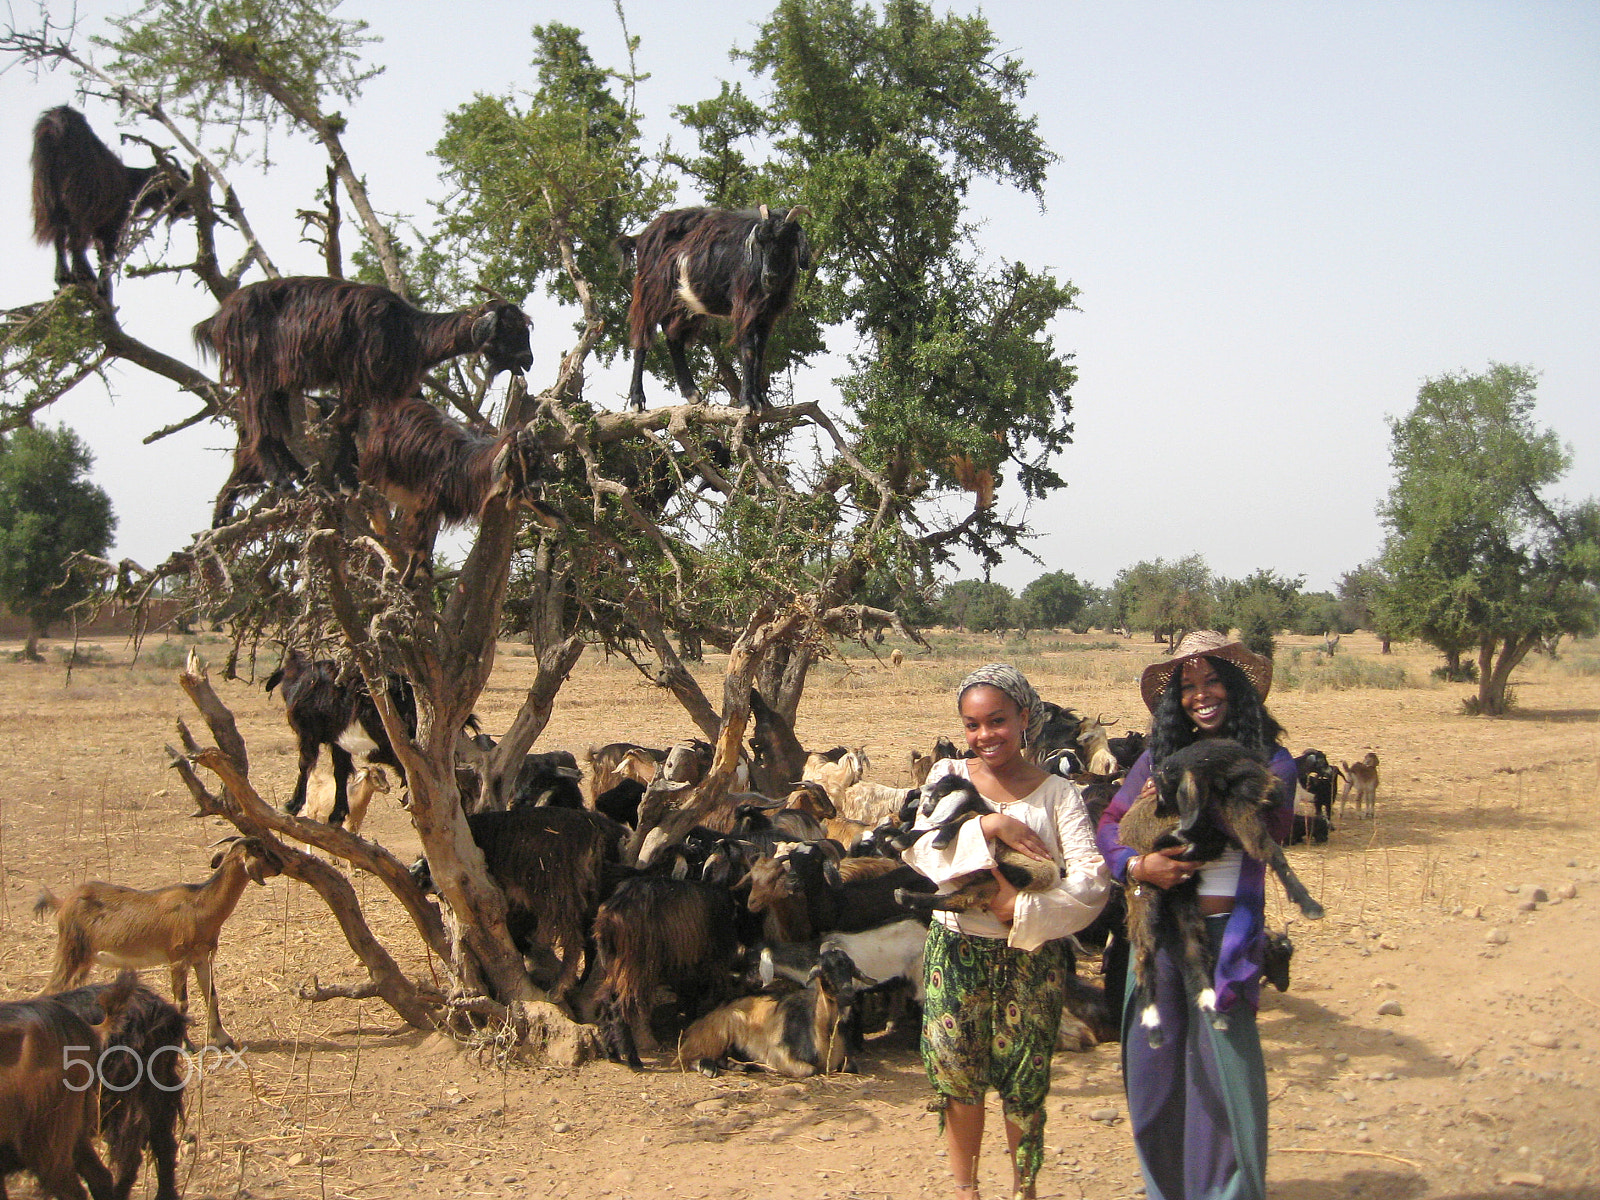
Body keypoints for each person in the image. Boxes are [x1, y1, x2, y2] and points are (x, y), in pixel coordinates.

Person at [1096, 631, 1297, 1200]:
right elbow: (1109, 826)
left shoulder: (1271, 762)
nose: (1200, 695)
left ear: (1236, 688)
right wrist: (1139, 866)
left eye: (1212, 681)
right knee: (1153, 1080)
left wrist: (1204, 784)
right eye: (1188, 686)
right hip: (1157, 940)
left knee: (1222, 1078)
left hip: (1222, 945)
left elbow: (1269, 830)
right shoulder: (1156, 763)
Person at [902, 663, 1109, 1200]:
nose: (984, 736)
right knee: (958, 1078)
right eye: (972, 725)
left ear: (1023, 717)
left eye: (996, 721)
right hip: (956, 950)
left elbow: (1091, 881)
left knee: (1025, 1082)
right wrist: (986, 825)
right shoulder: (948, 775)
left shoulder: (1057, 794)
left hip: (1029, 953)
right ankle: (966, 1190)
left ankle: (1024, 1191)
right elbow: (923, 850)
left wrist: (1022, 909)